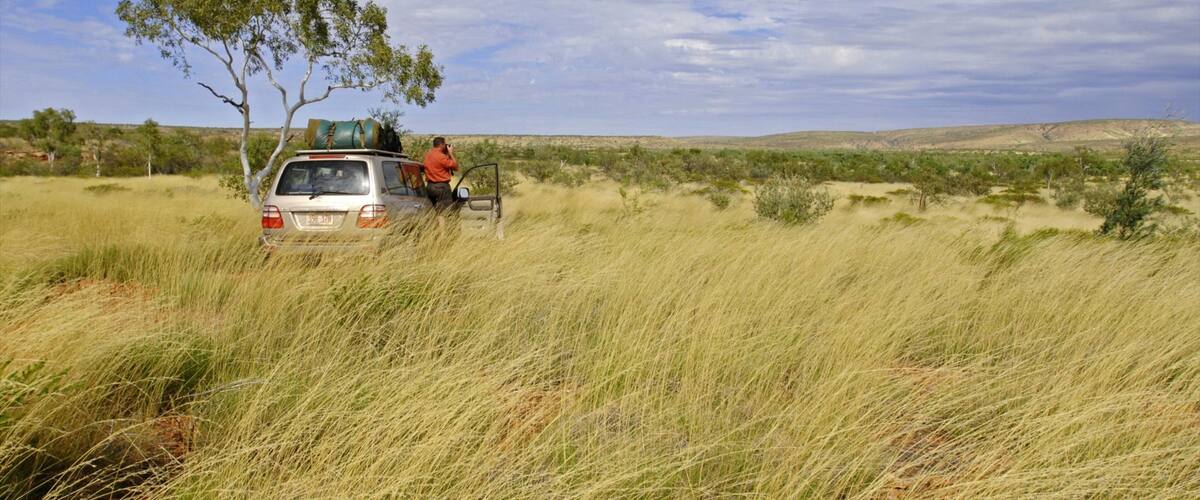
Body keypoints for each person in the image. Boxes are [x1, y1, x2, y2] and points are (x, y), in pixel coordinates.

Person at [422, 137, 459, 227]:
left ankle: (433, 230)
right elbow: (455, 166)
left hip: (430, 186)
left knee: (433, 211)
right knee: (443, 213)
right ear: (441, 145)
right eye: (445, 144)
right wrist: (451, 153)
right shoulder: (441, 156)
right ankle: (443, 233)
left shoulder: (428, 155)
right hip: (441, 187)